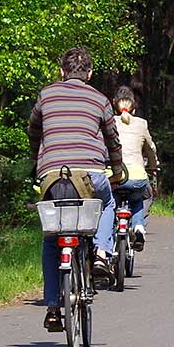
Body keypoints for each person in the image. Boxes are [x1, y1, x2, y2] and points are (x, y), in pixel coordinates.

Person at [27, 46, 122, 332]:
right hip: (91, 174)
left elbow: (33, 130)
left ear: (61, 71)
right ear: (90, 73)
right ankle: (102, 255)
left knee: (51, 237)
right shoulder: (99, 98)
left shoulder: (46, 95)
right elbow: (112, 137)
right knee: (106, 204)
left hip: (52, 175)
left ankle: (54, 307)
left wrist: (37, 161)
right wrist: (116, 170)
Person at [110, 86, 159, 249]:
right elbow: (151, 150)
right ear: (134, 106)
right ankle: (139, 227)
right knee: (141, 197)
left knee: (110, 201)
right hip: (137, 176)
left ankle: (109, 234)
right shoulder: (141, 124)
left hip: (114, 176)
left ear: (113, 103)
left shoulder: (108, 122)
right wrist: (153, 167)